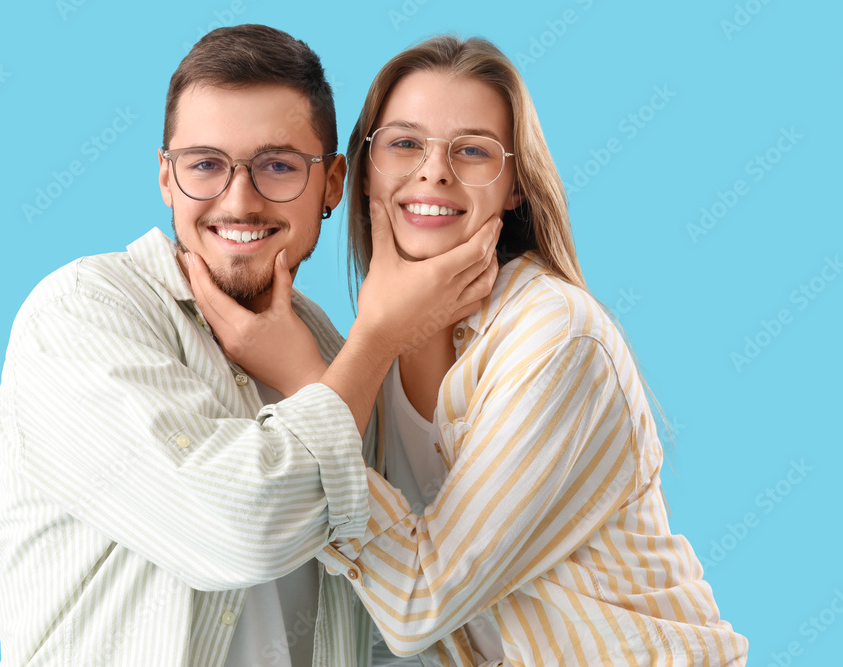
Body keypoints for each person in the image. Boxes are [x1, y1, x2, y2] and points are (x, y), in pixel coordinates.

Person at [203, 36, 749, 665]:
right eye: (405, 143)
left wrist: (304, 382)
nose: (434, 170)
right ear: (361, 172)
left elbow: (417, 604)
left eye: (471, 150)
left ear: (515, 186)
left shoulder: (556, 339)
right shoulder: (369, 351)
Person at [0, 25, 499, 666]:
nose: (239, 200)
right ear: (166, 178)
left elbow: (375, 619)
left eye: (278, 166)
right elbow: (237, 530)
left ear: (334, 183)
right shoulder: (81, 315)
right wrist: (375, 344)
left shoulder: (326, 353)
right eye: (205, 164)